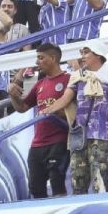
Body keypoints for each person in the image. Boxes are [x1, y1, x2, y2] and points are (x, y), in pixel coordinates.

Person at [59, 40, 108, 194]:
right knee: (77, 180)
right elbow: (65, 99)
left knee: (99, 180)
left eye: (86, 52)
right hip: (80, 135)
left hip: (102, 133)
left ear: (98, 54)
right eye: (81, 53)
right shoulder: (77, 76)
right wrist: (47, 109)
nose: (82, 56)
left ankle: (101, 213)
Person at [8, 43, 72, 199]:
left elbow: (75, 112)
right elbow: (22, 107)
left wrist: (56, 111)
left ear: (53, 58)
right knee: (36, 189)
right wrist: (13, 95)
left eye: (41, 58)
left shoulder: (68, 80)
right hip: (37, 144)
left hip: (59, 141)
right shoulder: (40, 84)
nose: (37, 63)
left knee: (58, 184)